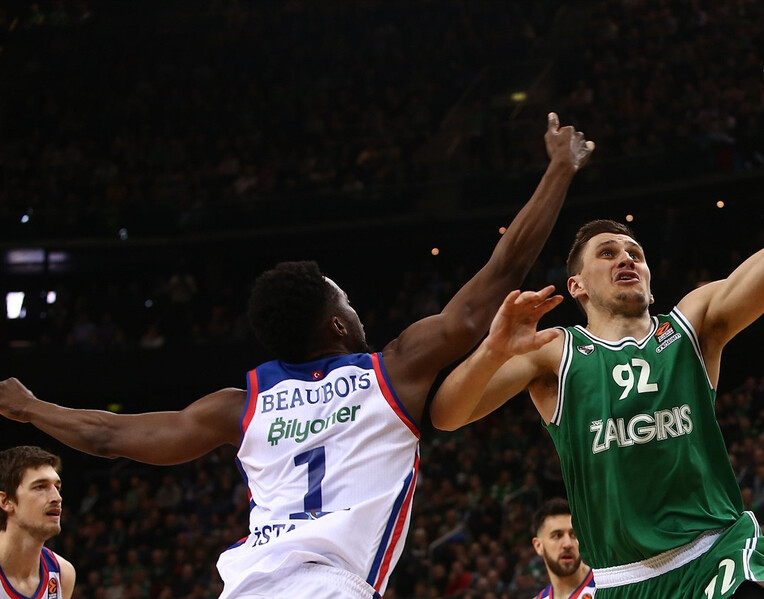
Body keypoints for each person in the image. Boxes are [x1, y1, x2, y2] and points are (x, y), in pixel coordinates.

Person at [0, 113, 595, 599]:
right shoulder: (390, 371)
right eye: (348, 303)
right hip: (329, 587)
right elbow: (499, 275)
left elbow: (107, 435)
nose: (357, 312)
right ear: (337, 324)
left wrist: (28, 408)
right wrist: (559, 170)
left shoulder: (241, 406)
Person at [430, 38, 764, 599]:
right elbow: (447, 415)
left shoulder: (693, 324)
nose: (626, 258)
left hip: (715, 552)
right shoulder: (555, 353)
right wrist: (493, 350)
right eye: (607, 253)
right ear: (576, 286)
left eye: (636, 253)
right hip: (622, 581)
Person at [0, 446, 76, 599]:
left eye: (57, 487)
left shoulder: (63, 574)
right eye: (40, 487)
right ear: (6, 501)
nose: (57, 498)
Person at [532, 498, 595, 599]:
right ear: (538, 546)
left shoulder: (606, 589)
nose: (568, 544)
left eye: (574, 535)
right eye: (557, 535)